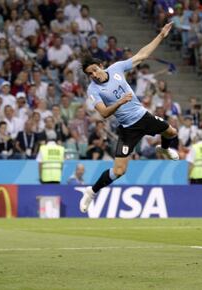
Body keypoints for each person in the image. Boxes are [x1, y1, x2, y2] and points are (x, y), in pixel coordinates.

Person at [77, 22, 179, 213]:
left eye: (94, 70)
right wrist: (120, 102)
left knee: (171, 132)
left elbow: (142, 55)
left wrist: (161, 35)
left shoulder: (116, 68)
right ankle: (91, 192)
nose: (94, 75)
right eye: (89, 74)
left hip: (143, 116)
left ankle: (164, 150)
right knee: (119, 171)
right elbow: (104, 113)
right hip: (128, 128)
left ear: (101, 65)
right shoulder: (93, 90)